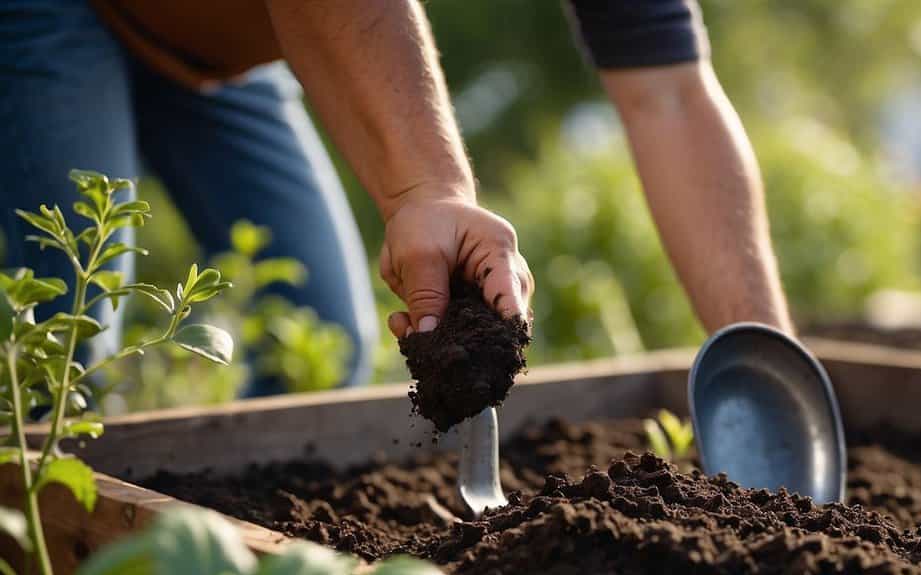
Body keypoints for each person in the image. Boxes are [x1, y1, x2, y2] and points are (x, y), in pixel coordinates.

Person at [0, 0, 791, 393]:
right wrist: (429, 188)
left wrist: (769, 371)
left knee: (323, 335)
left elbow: (673, 96)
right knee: (68, 334)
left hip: (229, 43)